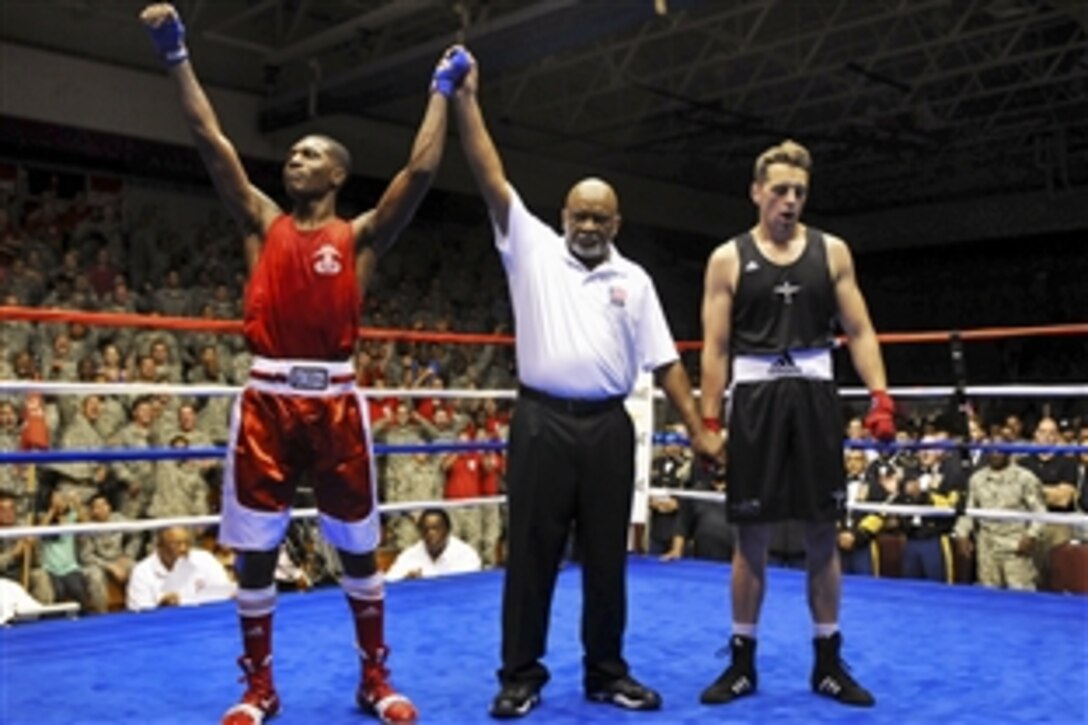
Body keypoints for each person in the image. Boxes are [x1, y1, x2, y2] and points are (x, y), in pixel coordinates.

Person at [139, 4, 469, 723]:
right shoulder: (264, 221)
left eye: (311, 153)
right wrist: (176, 55)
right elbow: (208, 138)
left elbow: (418, 169)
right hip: (265, 401)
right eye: (291, 154)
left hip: (337, 402)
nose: (295, 158)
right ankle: (258, 685)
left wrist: (439, 93)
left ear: (339, 172)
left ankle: (374, 679)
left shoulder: (361, 237)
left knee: (357, 548)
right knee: (254, 553)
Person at [449, 50, 724, 718]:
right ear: (564, 214)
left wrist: (699, 427)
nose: (589, 225)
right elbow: (489, 173)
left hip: (607, 426)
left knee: (608, 558)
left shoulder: (637, 282)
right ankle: (520, 673)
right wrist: (465, 99)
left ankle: (606, 672)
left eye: (601, 217)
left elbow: (666, 363)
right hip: (541, 419)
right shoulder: (532, 248)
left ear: (616, 223)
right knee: (532, 555)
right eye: (580, 214)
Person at [699, 139, 896, 708]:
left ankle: (828, 663)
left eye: (800, 192)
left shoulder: (832, 251)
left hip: (814, 394)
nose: (790, 201)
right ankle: (741, 663)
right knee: (750, 535)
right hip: (756, 398)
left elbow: (859, 330)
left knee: (820, 533)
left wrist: (879, 395)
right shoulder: (728, 258)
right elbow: (713, 348)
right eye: (780, 190)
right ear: (757, 192)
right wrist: (710, 421)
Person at [126, 526, 235, 611]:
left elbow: (224, 594)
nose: (183, 549)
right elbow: (139, 616)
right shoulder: (142, 572)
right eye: (176, 544)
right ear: (159, 547)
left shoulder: (205, 559)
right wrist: (161, 609)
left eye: (187, 543)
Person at [384, 508, 482, 582]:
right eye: (425, 529)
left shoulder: (466, 554)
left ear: (447, 530)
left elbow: (471, 586)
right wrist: (405, 582)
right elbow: (389, 583)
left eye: (436, 528)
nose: (430, 534)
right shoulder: (409, 555)